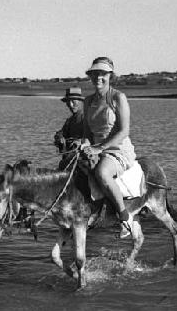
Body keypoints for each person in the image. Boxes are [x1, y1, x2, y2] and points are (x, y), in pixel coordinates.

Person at [80, 57, 136, 238]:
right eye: (95, 74)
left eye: (103, 74)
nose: (98, 78)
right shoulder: (88, 101)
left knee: (102, 173)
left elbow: (124, 131)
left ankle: (124, 216)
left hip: (118, 150)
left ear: (110, 76)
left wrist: (100, 148)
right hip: (97, 149)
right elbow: (87, 133)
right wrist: (85, 144)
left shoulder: (118, 97)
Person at [54, 87, 85, 170]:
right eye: (68, 102)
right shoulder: (70, 120)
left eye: (74, 102)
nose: (70, 105)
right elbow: (60, 133)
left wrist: (81, 142)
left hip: (82, 159)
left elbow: (96, 137)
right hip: (69, 159)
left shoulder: (89, 118)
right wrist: (60, 138)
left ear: (80, 101)